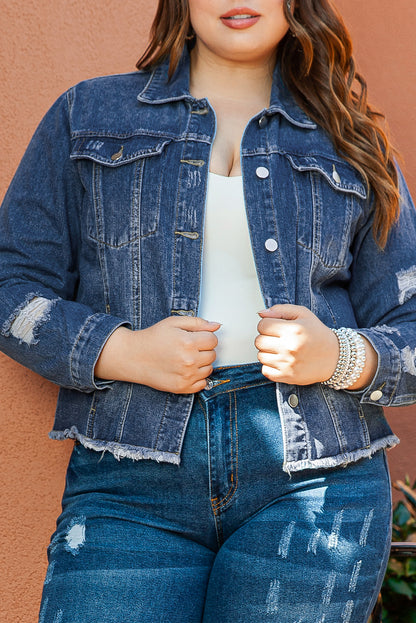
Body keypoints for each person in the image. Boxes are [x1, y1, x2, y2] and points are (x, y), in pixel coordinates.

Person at [0, 0, 415, 621]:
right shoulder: (88, 115)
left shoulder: (350, 141)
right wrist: (126, 351)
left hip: (317, 479)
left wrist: (338, 355)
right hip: (129, 476)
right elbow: (12, 284)